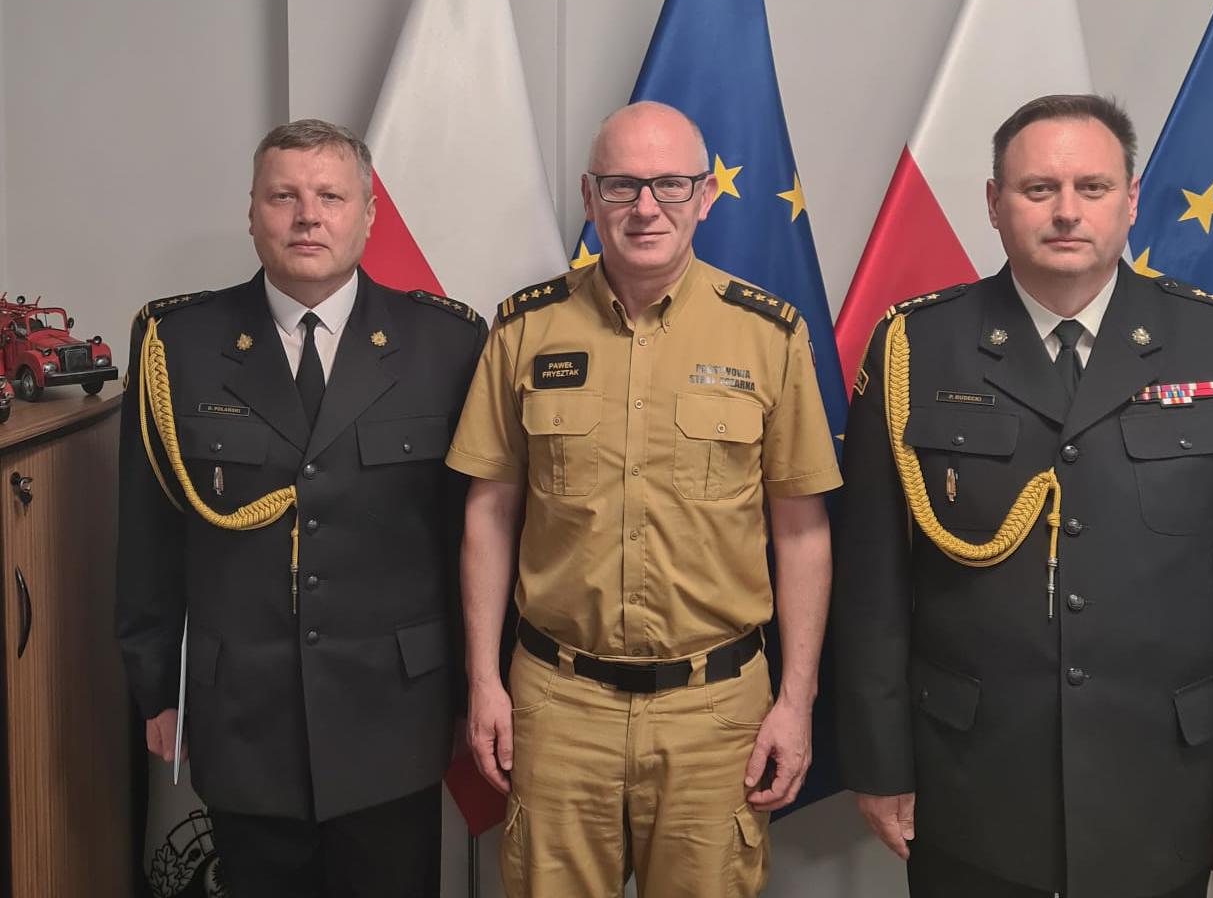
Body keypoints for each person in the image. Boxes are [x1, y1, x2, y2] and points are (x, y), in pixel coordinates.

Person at [834, 93, 1213, 898]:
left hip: (1163, 783)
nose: (1067, 211)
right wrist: (876, 760)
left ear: (1132, 199)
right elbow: (872, 581)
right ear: (994, 203)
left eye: (1092, 187)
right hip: (970, 780)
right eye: (1038, 188)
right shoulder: (915, 347)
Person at [445, 100, 841, 897]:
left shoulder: (768, 335)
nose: (646, 207)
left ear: (705, 195)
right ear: (590, 198)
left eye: (670, 184)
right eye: (622, 186)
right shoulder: (524, 329)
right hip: (558, 708)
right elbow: (488, 515)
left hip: (714, 716)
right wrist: (484, 681)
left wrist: (796, 701)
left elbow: (801, 533)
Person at [115, 118, 485, 897]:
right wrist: (156, 687)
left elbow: (470, 539)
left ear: (368, 214)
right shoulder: (176, 345)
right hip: (243, 716)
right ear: (251, 212)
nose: (307, 216)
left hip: (396, 714)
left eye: (330, 196)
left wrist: (471, 691)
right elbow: (149, 533)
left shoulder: (445, 344)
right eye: (283, 196)